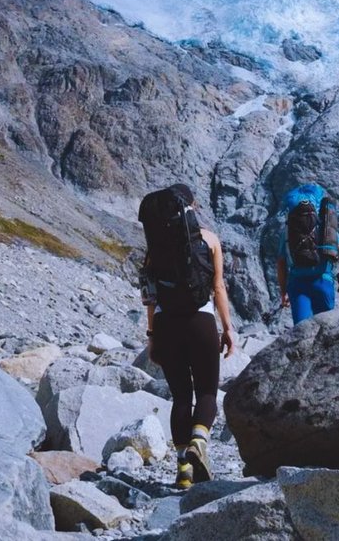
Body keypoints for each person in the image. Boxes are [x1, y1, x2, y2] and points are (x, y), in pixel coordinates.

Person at [138, 184, 235, 491]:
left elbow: (149, 297)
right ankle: (199, 439)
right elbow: (218, 288)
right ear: (191, 207)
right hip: (201, 320)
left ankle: (183, 471)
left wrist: (152, 337)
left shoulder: (155, 248)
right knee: (207, 392)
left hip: (167, 325)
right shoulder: (210, 240)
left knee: (181, 396)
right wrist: (228, 328)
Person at [275, 182, 339, 325]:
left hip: (297, 284)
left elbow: (281, 263)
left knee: (301, 330)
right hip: (323, 282)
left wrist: (283, 292)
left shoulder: (288, 232)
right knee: (326, 328)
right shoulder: (326, 229)